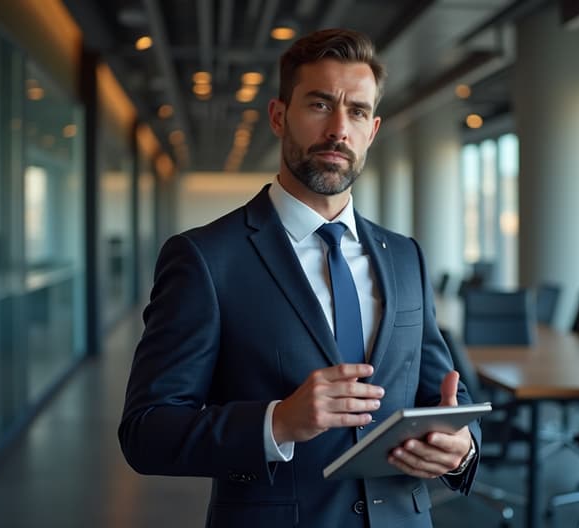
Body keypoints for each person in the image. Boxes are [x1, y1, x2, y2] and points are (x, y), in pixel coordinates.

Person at [118, 28, 481, 528]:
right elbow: (146, 432)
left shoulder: (404, 256)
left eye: (356, 111)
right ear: (278, 115)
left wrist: (460, 449)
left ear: (372, 130)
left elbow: (444, 394)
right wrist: (278, 422)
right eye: (318, 104)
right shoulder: (205, 258)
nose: (338, 128)